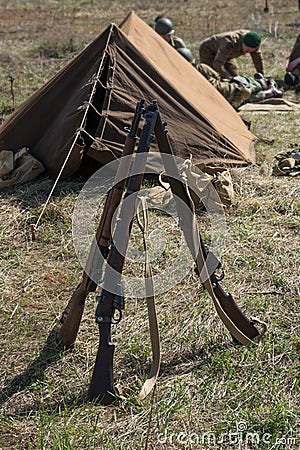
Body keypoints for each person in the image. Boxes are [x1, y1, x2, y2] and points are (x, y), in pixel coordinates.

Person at [177, 48, 282, 109]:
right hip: (231, 90)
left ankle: (269, 91)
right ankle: (263, 84)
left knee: (247, 96)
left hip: (224, 100)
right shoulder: (201, 67)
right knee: (244, 85)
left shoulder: (183, 77)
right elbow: (217, 76)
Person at [199, 30, 264, 79]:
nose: (248, 51)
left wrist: (261, 75)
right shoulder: (229, 42)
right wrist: (227, 76)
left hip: (228, 55)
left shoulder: (255, 42)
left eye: (250, 50)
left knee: (235, 76)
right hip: (209, 50)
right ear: (243, 42)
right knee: (212, 76)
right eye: (247, 49)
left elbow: (258, 60)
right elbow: (217, 64)